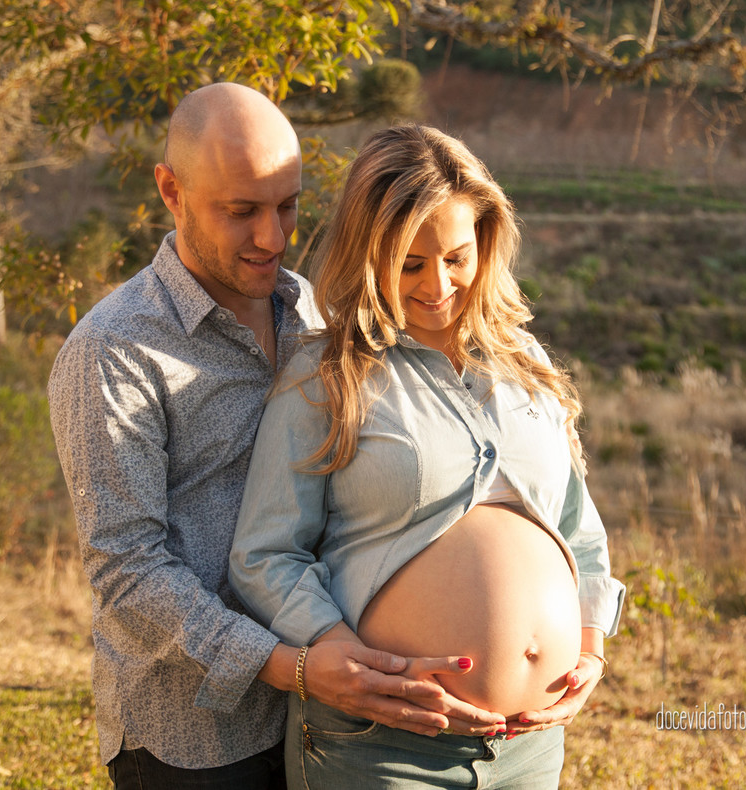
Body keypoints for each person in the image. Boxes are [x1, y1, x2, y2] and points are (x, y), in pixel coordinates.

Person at [49, 85, 500, 789]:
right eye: (241, 212)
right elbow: (127, 570)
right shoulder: (112, 350)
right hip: (196, 737)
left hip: (328, 723)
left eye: (287, 205)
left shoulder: (315, 313)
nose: (273, 237)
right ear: (171, 189)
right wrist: (291, 665)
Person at [229, 123, 625, 789]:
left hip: (530, 744)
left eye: (457, 257)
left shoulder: (525, 363)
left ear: (486, 243)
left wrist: (589, 645)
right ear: (369, 255)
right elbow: (265, 554)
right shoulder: (326, 378)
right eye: (410, 264)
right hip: (382, 743)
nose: (438, 285)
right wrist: (342, 656)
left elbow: (574, 523)